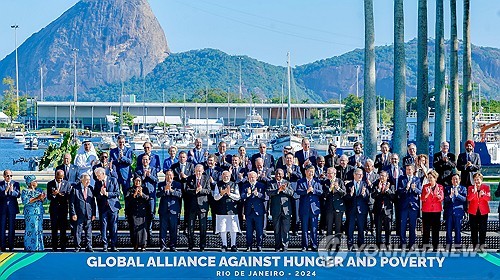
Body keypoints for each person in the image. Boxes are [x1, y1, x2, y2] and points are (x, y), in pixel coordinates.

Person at [93, 167, 121, 252]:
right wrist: (101, 194)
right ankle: (105, 245)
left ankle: (113, 245)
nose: (97, 178)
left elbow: (117, 193)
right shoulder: (97, 183)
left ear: (103, 174)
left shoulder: (113, 180)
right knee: (103, 226)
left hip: (113, 207)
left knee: (113, 226)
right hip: (103, 207)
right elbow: (95, 194)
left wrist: (107, 193)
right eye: (96, 176)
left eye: (98, 176)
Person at [296, 166, 323, 252]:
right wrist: (306, 191)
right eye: (309, 171)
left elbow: (321, 192)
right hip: (304, 208)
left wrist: (313, 190)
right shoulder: (301, 181)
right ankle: (305, 245)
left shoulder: (317, 181)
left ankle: (314, 245)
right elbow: (298, 191)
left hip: (314, 209)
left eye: (312, 172)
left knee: (314, 228)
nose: (311, 173)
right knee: (304, 228)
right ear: (305, 172)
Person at [267, 168, 294, 252]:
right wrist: (278, 190)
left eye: (280, 174)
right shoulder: (271, 183)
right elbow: (268, 192)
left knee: (285, 229)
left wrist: (284, 189)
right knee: (277, 229)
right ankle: (277, 246)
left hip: (286, 210)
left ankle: (285, 246)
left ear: (283, 175)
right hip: (276, 209)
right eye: (277, 174)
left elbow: (292, 193)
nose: (278, 175)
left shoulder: (287, 183)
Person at [185, 164, 211, 251]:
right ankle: (190, 245)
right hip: (192, 206)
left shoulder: (206, 178)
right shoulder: (190, 178)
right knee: (190, 227)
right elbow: (187, 190)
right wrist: (195, 191)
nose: (198, 173)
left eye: (200, 171)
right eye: (197, 171)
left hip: (202, 207)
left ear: (203, 171)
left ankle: (202, 246)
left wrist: (201, 190)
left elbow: (209, 190)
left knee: (203, 227)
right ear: (194, 171)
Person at [134, 154, 159, 246]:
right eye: (143, 160)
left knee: (151, 215)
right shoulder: (138, 170)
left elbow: (156, 180)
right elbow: (137, 181)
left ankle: (150, 235)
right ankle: (143, 238)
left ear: (149, 161)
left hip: (151, 195)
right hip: (142, 197)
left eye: (146, 160)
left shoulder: (153, 169)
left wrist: (150, 176)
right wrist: (144, 176)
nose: (145, 161)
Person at [213, 171, 241, 252]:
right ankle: (224, 245)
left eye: (227, 176)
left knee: (233, 229)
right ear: (222, 176)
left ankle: (233, 245)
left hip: (232, 210)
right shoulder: (218, 185)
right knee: (222, 229)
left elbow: (238, 197)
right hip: (221, 210)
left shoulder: (234, 184)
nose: (226, 177)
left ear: (230, 176)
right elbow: (215, 197)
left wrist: (229, 194)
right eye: (224, 176)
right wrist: (221, 194)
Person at [69, 174, 96, 252]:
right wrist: (73, 213)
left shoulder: (90, 188)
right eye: (86, 180)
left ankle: (89, 246)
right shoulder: (75, 189)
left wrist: (94, 213)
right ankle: (77, 246)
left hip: (89, 214)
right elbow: (72, 203)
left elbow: (93, 202)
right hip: (78, 214)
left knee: (89, 231)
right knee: (78, 231)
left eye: (89, 180)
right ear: (81, 180)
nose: (88, 182)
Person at [397, 164, 422, 251]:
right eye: (407, 169)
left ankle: (412, 244)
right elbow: (399, 191)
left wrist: (414, 189)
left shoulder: (417, 179)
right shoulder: (401, 178)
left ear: (413, 170)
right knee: (402, 225)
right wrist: (406, 188)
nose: (409, 171)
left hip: (413, 206)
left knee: (412, 226)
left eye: (410, 169)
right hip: (404, 206)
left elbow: (420, 191)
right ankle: (403, 243)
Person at [157, 170, 182, 252]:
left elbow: (180, 195)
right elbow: (158, 194)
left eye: (170, 175)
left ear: (173, 176)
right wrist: (164, 190)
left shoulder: (177, 184)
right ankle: (163, 246)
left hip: (173, 210)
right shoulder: (161, 184)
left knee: (173, 229)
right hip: (163, 210)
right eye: (167, 175)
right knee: (163, 229)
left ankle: (173, 246)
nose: (169, 177)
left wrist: (171, 191)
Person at [344, 168, 369, 251]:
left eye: (362, 174)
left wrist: (364, 194)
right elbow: (345, 198)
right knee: (350, 229)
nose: (361, 176)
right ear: (354, 175)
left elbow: (368, 197)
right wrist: (350, 194)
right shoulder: (349, 185)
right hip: (351, 210)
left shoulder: (365, 184)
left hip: (361, 210)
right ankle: (350, 245)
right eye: (359, 174)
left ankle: (361, 245)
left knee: (361, 229)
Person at [241, 171, 266, 252]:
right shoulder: (245, 186)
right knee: (249, 230)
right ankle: (249, 246)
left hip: (258, 211)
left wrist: (257, 194)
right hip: (249, 212)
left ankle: (259, 246)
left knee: (259, 230)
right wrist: (248, 194)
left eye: (253, 177)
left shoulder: (261, 185)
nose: (251, 179)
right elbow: (242, 196)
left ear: (256, 177)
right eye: (250, 177)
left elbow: (264, 197)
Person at [321, 167, 345, 251]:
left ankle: (338, 246)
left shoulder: (340, 181)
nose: (328, 175)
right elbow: (324, 195)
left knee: (338, 228)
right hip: (329, 208)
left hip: (338, 208)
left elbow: (344, 193)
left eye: (330, 173)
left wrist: (338, 188)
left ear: (334, 174)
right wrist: (330, 188)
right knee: (329, 228)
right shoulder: (325, 182)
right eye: (327, 173)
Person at [47, 170, 71, 251]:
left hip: (63, 209)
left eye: (61, 178)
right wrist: (53, 194)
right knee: (54, 228)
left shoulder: (67, 184)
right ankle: (54, 247)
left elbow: (68, 196)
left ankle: (63, 247)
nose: (60, 180)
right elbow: (48, 197)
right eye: (58, 178)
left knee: (63, 228)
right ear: (55, 176)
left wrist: (59, 194)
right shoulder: (50, 184)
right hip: (54, 209)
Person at [421, 170, 444, 251]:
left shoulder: (440, 187)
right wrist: (427, 194)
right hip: (426, 211)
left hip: (436, 211)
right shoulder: (425, 187)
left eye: (431, 178)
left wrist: (437, 195)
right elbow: (422, 198)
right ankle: (425, 246)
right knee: (426, 230)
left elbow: (441, 198)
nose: (430, 180)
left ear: (435, 178)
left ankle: (435, 247)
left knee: (435, 230)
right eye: (428, 178)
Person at [21, 175, 45, 252]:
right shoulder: (25, 191)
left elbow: (44, 201)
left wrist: (43, 198)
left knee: (39, 229)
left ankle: (39, 246)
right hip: (30, 214)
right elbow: (25, 201)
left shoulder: (39, 190)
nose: (36, 182)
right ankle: (30, 247)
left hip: (39, 213)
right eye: (35, 181)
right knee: (31, 229)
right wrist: (37, 198)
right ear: (30, 183)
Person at [467, 173, 490, 251]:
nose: (476, 181)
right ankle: (475, 246)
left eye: (478, 179)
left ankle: (482, 246)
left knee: (483, 229)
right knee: (474, 229)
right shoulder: (470, 188)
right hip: (473, 211)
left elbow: (489, 198)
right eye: (475, 180)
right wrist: (474, 192)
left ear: (481, 180)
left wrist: (483, 195)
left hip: (483, 211)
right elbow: (469, 199)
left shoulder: (486, 187)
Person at [371, 171, 395, 250]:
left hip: (387, 210)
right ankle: (378, 244)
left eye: (383, 176)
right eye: (380, 176)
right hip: (378, 210)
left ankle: (388, 243)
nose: (382, 178)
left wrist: (387, 190)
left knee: (388, 228)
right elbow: (373, 196)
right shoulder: (376, 184)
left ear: (387, 177)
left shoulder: (391, 185)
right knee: (378, 228)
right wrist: (378, 189)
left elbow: (393, 197)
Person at [126, 176, 150, 251]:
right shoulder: (130, 189)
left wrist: (142, 194)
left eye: (139, 181)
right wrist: (135, 194)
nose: (138, 182)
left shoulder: (145, 189)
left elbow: (148, 199)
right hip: (133, 212)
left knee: (143, 230)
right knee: (134, 229)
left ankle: (143, 245)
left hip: (142, 213)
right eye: (136, 181)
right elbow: (128, 199)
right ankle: (135, 244)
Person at [443, 173, 467, 251]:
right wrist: (450, 196)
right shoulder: (447, 188)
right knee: (448, 231)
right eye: (453, 179)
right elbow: (444, 200)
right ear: (451, 180)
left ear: (459, 180)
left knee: (458, 230)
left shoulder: (463, 188)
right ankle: (448, 247)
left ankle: (458, 247)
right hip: (449, 213)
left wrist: (457, 195)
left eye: (456, 179)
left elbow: (464, 199)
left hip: (458, 213)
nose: (455, 180)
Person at [0, 169, 20, 252]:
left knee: (12, 228)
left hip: (12, 209)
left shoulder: (16, 184)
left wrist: (12, 191)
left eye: (11, 176)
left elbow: (18, 195)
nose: (9, 177)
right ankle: (2, 246)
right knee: (2, 228)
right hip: (2, 209)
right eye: (7, 175)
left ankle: (11, 246)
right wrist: (6, 191)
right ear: (4, 176)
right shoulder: (0, 184)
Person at [283, 153, 302, 235]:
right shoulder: (282, 168)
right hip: (285, 193)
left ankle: (295, 230)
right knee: (285, 213)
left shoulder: (297, 168)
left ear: (293, 159)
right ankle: (285, 230)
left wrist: (292, 172)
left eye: (290, 158)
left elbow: (300, 176)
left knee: (296, 213)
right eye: (287, 158)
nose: (289, 160)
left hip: (295, 193)